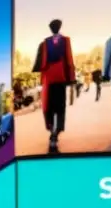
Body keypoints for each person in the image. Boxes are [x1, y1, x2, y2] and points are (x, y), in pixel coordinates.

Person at [32, 19, 75, 153]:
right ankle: (56, 131)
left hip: (48, 79)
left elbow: (40, 65)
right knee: (60, 107)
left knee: (49, 108)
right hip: (60, 78)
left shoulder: (44, 43)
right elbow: (69, 59)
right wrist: (71, 78)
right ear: (59, 27)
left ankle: (52, 132)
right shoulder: (66, 41)